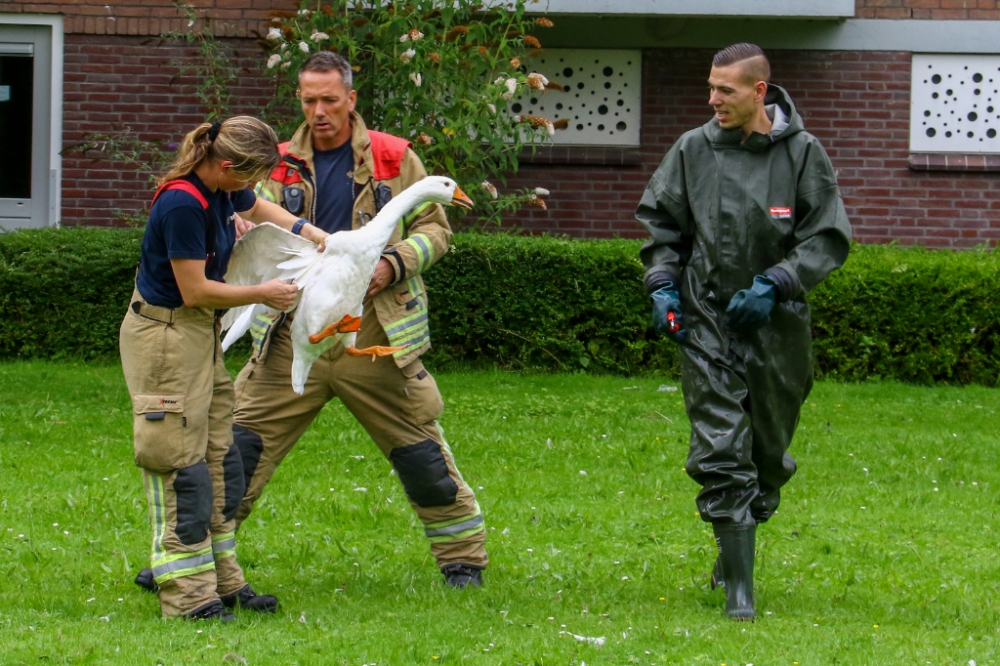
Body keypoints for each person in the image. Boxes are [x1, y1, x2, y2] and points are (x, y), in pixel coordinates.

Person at [229, 52, 488, 587]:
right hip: (291, 332)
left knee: (421, 452)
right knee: (239, 446)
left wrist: (391, 265)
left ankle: (463, 560)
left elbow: (436, 231)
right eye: (308, 100)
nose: (318, 111)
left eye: (329, 99)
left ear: (351, 98)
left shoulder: (397, 157)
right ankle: (198, 552)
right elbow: (242, 215)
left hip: (377, 332)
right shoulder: (273, 163)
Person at [636, 44, 851, 620]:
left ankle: (735, 550)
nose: (712, 100)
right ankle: (740, 594)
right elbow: (662, 225)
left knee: (766, 455)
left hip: (777, 330)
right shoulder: (692, 149)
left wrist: (778, 282)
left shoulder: (804, 155)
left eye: (725, 90)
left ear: (760, 92)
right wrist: (662, 286)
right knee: (720, 447)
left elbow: (826, 236)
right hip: (706, 322)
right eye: (710, 87)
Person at [121, 116, 329, 620]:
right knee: (182, 464)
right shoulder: (182, 204)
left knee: (219, 458)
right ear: (227, 164)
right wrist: (264, 293)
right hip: (166, 336)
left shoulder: (221, 189)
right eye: (250, 175)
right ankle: (188, 597)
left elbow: (259, 207)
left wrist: (320, 237)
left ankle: (223, 581)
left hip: (197, 333)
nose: (252, 187)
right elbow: (195, 290)